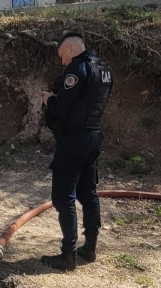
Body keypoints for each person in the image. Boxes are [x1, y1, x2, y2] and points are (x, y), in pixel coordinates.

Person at [40, 32, 113, 272]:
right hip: (93, 136)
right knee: (88, 192)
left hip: (73, 139)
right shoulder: (103, 68)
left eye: (62, 55)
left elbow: (61, 108)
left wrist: (49, 100)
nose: (63, 61)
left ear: (69, 48)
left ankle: (67, 255)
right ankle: (90, 248)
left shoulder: (77, 69)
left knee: (64, 196)